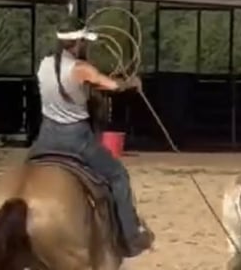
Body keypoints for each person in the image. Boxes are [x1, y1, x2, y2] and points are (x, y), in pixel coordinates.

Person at [29, 18, 154, 257]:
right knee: (118, 176)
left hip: (45, 136)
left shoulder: (44, 64)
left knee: (26, 172)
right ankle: (130, 235)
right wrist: (131, 82)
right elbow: (111, 86)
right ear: (78, 42)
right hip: (76, 138)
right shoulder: (81, 68)